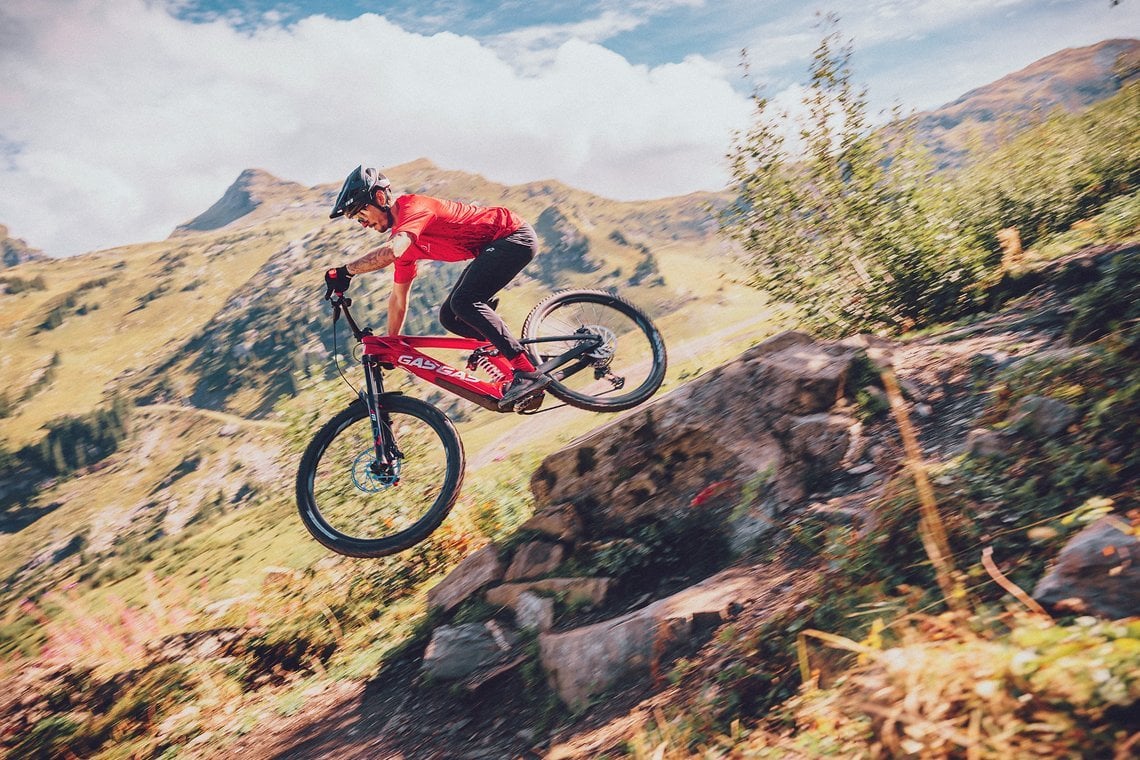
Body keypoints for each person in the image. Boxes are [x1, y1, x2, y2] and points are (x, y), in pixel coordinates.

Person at [323, 165, 545, 408]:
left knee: (464, 302)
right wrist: (392, 343)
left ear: (378, 198)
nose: (362, 224)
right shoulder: (405, 241)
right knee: (450, 317)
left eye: (361, 215)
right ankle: (518, 358)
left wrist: (346, 271)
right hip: (492, 248)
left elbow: (391, 251)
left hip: (513, 236)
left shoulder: (413, 208)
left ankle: (526, 371)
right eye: (357, 220)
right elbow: (398, 299)